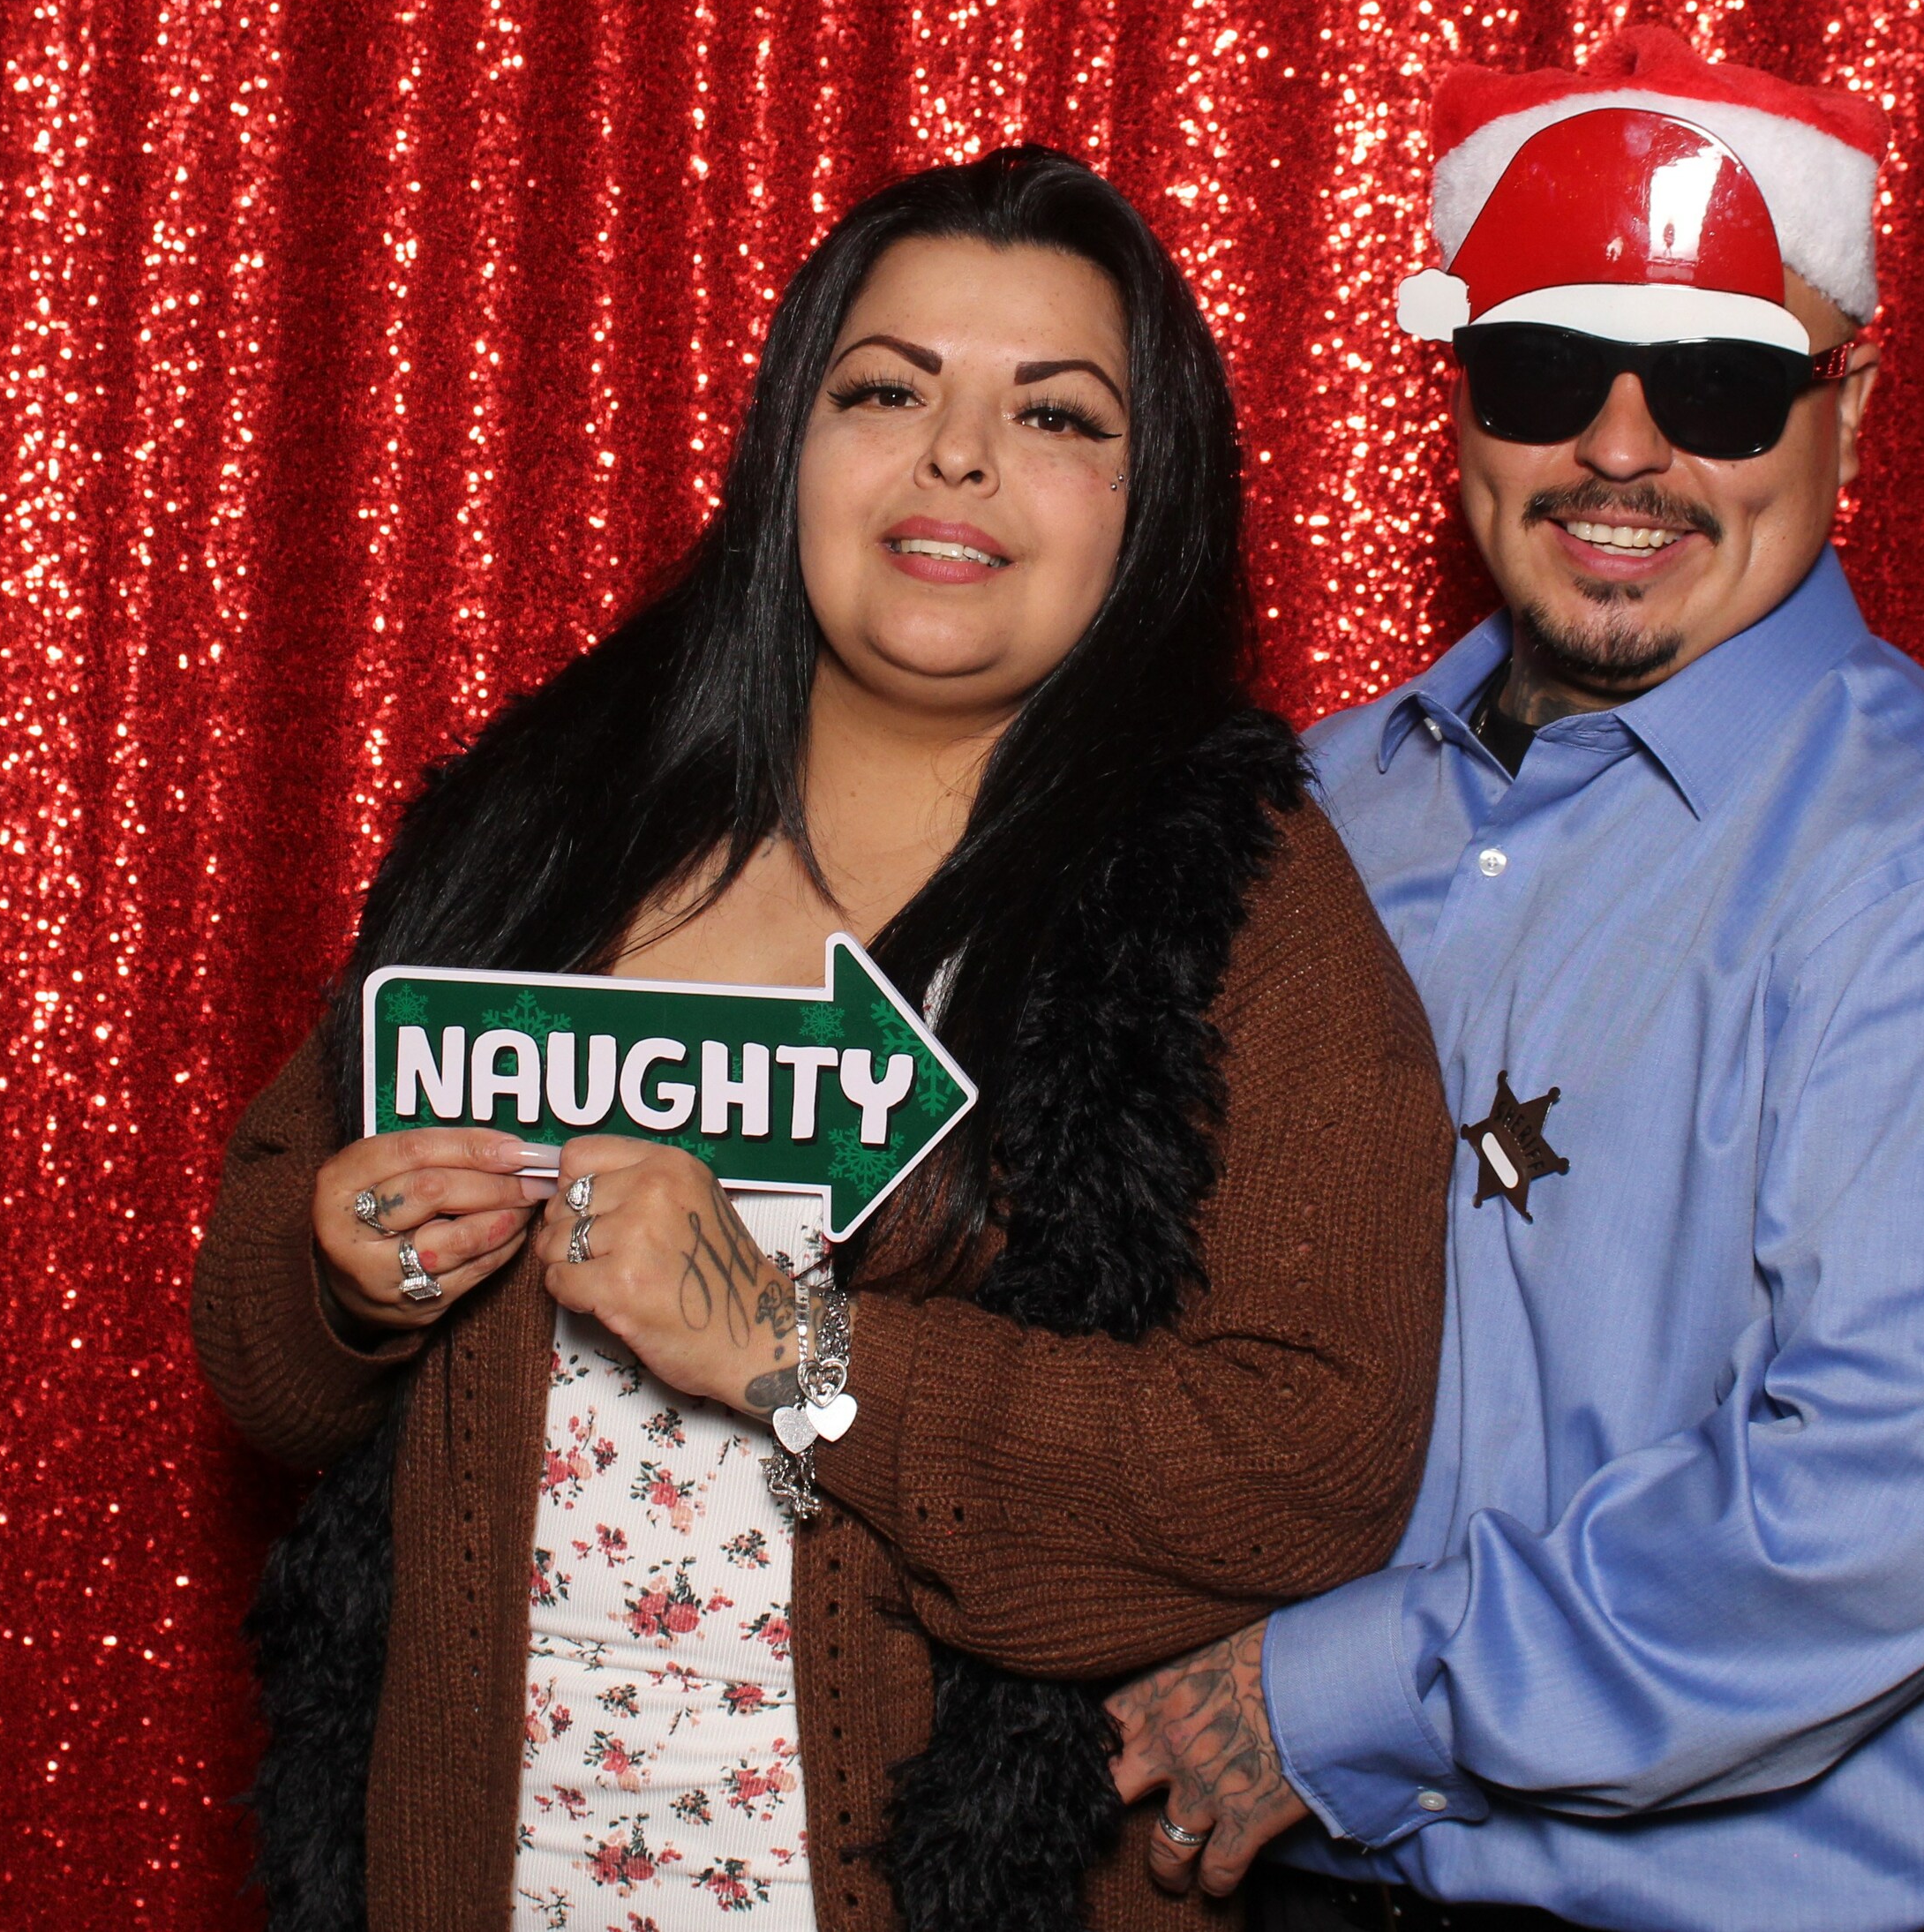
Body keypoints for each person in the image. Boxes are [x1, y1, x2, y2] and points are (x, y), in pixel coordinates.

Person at [192, 147, 1456, 1932]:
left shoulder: (1235, 905)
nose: (956, 457)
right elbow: (265, 1349)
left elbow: (1305, 1467)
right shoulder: (543, 823)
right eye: (886, 390)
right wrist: (347, 1267)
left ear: (1151, 497)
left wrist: (803, 1354)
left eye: (1056, 415)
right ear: (792, 438)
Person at [1106, 28, 1924, 1932]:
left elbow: (1880, 1508)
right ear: (1463, 404)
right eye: (1547, 369)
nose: (1621, 451)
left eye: (1718, 382)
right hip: (1253, 1887)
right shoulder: (1299, 812)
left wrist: (1339, 1693)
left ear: (1848, 406)